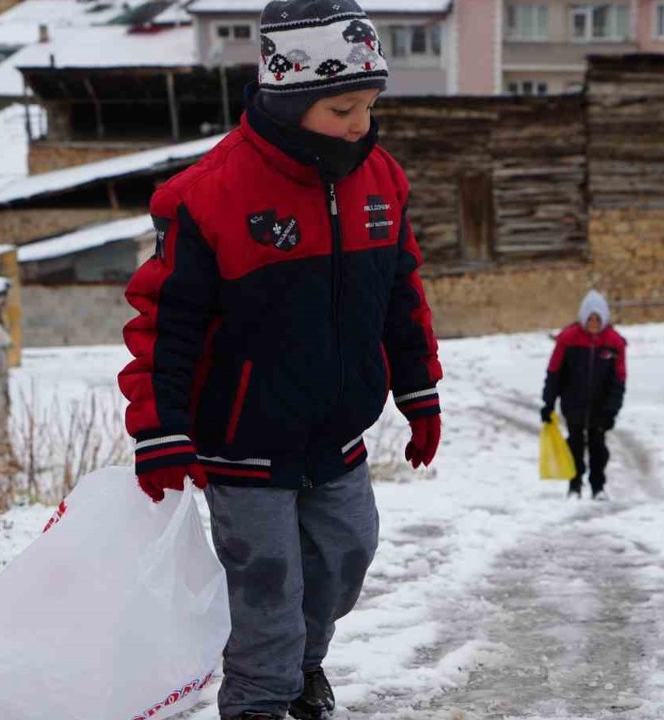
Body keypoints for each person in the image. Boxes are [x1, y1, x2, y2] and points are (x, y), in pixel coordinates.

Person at [117, 2, 443, 718]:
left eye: (369, 104)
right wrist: (162, 429)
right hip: (243, 442)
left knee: (347, 557)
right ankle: (261, 700)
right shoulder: (211, 196)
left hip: (337, 435)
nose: (361, 122)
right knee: (266, 590)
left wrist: (420, 393)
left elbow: (401, 294)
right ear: (289, 96)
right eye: (342, 107)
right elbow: (164, 325)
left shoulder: (381, 181)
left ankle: (301, 670)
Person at [540, 290, 627, 501]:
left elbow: (619, 380)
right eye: (590, 319)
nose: (594, 323)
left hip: (601, 406)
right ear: (583, 318)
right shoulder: (568, 339)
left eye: (598, 319)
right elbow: (554, 372)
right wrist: (549, 402)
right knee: (575, 445)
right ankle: (575, 485)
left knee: (598, 446)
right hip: (573, 403)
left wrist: (612, 409)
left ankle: (598, 487)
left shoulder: (614, 343)